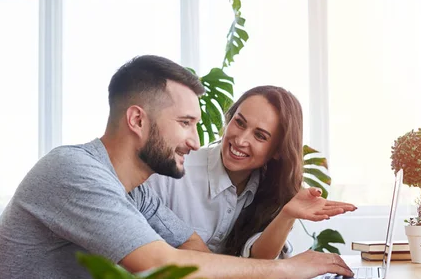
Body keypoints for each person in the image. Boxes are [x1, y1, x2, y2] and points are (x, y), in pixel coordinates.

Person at [0, 55, 353, 279]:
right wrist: (287, 272)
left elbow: (194, 248)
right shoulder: (73, 171)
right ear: (137, 120)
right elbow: (162, 269)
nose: (196, 141)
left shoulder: (134, 191)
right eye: (185, 124)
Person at [145, 85, 357, 258]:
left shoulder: (271, 189)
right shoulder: (172, 171)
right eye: (239, 122)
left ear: (277, 151)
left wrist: (287, 215)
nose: (241, 140)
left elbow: (259, 260)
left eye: (260, 136)